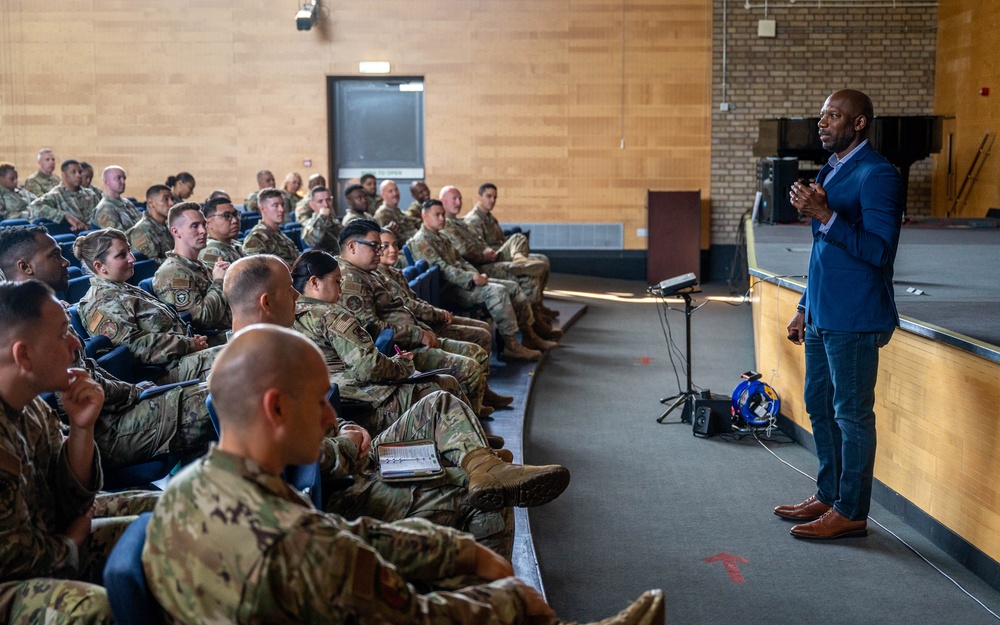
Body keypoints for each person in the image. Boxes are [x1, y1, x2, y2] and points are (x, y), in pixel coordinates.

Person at [142, 324, 659, 625]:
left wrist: (456, 550)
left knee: (460, 560)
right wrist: (510, 599)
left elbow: (345, 537)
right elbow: (417, 616)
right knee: (497, 595)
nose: (330, 417)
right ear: (276, 409)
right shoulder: (297, 547)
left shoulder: (189, 488)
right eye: (322, 401)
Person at [777, 89, 903, 540]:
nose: (822, 122)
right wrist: (804, 305)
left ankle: (850, 511)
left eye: (834, 115)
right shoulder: (832, 168)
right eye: (822, 115)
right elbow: (821, 252)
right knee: (820, 406)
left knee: (851, 416)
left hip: (856, 316)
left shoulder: (877, 175)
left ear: (860, 123)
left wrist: (825, 214)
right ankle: (829, 495)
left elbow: (879, 250)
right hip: (822, 313)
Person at [0, 280, 161, 625]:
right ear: (23, 355)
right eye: (62, 335)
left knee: (166, 517)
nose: (76, 344)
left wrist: (82, 428)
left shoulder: (31, 408)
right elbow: (16, 559)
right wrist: (72, 541)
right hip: (10, 579)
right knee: (95, 612)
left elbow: (73, 500)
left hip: (47, 538)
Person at [0, 225, 215, 470]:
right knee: (222, 396)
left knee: (221, 387)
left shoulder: (46, 312)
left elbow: (88, 368)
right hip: (104, 431)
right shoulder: (26, 326)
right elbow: (76, 388)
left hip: (111, 414)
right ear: (25, 266)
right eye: (54, 255)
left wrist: (132, 390)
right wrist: (133, 392)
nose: (65, 262)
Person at [337, 219, 502, 418]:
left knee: (476, 352)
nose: (380, 252)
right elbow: (372, 329)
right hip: (396, 352)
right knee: (469, 368)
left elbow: (403, 308)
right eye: (375, 246)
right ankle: (470, 425)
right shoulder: (351, 279)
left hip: (411, 339)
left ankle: (473, 417)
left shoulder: (366, 273)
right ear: (352, 246)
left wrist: (422, 329)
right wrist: (418, 334)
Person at [409, 200, 553, 358]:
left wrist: (475, 274)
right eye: (437, 215)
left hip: (464, 284)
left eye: (443, 214)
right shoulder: (420, 242)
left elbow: (462, 261)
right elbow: (443, 269)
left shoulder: (442, 238)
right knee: (497, 292)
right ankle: (511, 345)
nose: (442, 218)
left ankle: (529, 335)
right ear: (424, 216)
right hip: (449, 290)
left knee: (512, 287)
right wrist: (471, 278)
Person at [74, 229, 220, 383]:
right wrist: (188, 344)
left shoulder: (123, 288)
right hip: (162, 374)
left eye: (129, 251)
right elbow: (133, 347)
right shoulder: (101, 303)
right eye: (122, 255)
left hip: (181, 356)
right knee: (235, 358)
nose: (132, 258)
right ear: (100, 266)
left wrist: (190, 342)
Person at [439, 186, 560, 340]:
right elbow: (464, 252)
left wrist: (486, 251)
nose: (458, 202)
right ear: (443, 201)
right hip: (480, 267)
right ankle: (531, 329)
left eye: (460, 198)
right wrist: (484, 255)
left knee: (529, 254)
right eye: (454, 199)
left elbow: (483, 243)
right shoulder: (452, 225)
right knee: (527, 277)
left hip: (486, 260)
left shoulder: (461, 222)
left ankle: (534, 317)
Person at [378, 227, 494, 355]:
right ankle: (474, 373)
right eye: (385, 246)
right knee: (482, 335)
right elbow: (408, 305)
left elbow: (414, 299)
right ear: (376, 249)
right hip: (416, 329)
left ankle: (479, 372)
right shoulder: (380, 277)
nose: (393, 250)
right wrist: (439, 315)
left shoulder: (395, 273)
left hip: (426, 321)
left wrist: (439, 312)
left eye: (394, 245)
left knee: (484, 327)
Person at [465, 182, 556, 315]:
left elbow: (501, 240)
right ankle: (533, 315)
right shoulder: (473, 220)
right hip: (490, 260)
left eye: (495, 197)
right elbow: (480, 248)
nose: (492, 200)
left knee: (543, 260)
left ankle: (538, 305)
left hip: (500, 253)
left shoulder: (490, 218)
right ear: (479, 197)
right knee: (518, 239)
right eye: (489, 196)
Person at [152, 202, 232, 337]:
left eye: (203, 225)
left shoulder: (200, 265)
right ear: (176, 232)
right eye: (195, 226)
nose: (203, 231)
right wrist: (218, 281)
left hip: (231, 329)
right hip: (212, 340)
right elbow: (202, 320)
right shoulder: (172, 273)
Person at [28, 159, 100, 231]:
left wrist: (90, 226)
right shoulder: (55, 195)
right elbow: (34, 207)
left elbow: (101, 214)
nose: (78, 175)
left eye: (80, 172)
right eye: (73, 172)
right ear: (63, 174)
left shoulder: (90, 194)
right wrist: (65, 216)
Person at [241, 187, 299, 265]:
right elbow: (255, 272)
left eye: (282, 205)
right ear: (262, 209)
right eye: (275, 206)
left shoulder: (281, 235)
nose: (281, 209)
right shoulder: (256, 237)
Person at [127, 184, 175, 264]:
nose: (171, 203)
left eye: (172, 199)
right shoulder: (142, 230)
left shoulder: (167, 226)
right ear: (150, 203)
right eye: (165, 199)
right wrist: (182, 261)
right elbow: (151, 264)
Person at [93, 165, 143, 231]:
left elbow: (143, 222)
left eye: (124, 178)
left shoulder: (126, 202)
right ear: (106, 181)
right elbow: (120, 237)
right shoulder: (104, 209)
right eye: (118, 178)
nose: (123, 182)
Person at [199, 196, 245, 266]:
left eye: (235, 214)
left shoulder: (234, 244)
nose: (235, 220)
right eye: (227, 216)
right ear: (209, 223)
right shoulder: (211, 252)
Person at [374, 179, 420, 243]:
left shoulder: (400, 212)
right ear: (383, 195)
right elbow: (391, 239)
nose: (395, 193)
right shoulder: (383, 214)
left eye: (396, 190)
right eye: (390, 191)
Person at [299, 185, 342, 253]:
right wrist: (322, 217)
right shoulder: (309, 224)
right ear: (312, 205)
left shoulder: (335, 221)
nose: (326, 205)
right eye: (320, 201)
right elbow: (313, 241)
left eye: (328, 200)